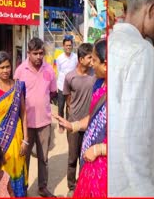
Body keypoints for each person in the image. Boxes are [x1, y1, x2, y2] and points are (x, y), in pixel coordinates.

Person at [108, 0, 154, 197]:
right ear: (151, 10)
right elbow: (134, 136)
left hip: (116, 179)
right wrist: (147, 191)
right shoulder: (141, 50)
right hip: (137, 185)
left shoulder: (112, 42)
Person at [55, 38, 107, 197]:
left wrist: (100, 149)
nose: (92, 64)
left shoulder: (119, 93)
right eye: (90, 59)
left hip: (105, 168)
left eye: (95, 59)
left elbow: (126, 141)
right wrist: (72, 125)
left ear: (105, 65)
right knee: (72, 157)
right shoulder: (99, 84)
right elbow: (91, 117)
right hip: (91, 160)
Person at [14, 37, 57, 197]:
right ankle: (23, 188)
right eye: (35, 54)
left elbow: (52, 92)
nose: (39, 57)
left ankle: (42, 187)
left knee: (43, 158)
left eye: (41, 53)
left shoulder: (49, 70)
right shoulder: (20, 70)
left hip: (44, 122)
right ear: (28, 53)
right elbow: (15, 96)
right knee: (23, 157)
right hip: (25, 123)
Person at [0, 51, 28, 197]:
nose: (5, 70)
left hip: (17, 140)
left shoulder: (17, 86)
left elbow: (23, 113)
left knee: (17, 170)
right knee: (1, 175)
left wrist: (25, 140)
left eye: (8, 67)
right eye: (2, 67)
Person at [63, 43, 96, 197]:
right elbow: (68, 98)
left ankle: (83, 183)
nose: (92, 60)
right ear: (81, 59)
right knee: (72, 157)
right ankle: (71, 186)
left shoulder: (95, 75)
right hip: (74, 124)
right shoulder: (70, 77)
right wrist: (70, 118)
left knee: (87, 156)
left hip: (90, 124)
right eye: (89, 57)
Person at [56, 38, 78, 124]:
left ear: (72, 46)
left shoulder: (76, 57)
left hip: (72, 87)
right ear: (63, 46)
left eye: (70, 45)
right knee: (60, 106)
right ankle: (61, 124)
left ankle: (68, 124)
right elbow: (58, 71)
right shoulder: (59, 58)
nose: (68, 47)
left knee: (70, 106)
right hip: (61, 86)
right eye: (66, 45)